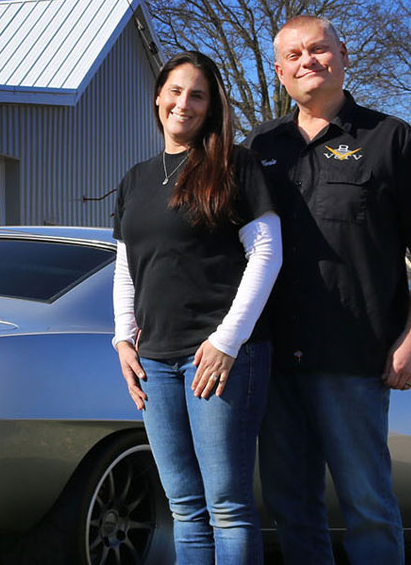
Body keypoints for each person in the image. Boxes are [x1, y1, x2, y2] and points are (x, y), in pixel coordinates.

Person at [245, 16, 411, 564]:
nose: (307, 61)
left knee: (368, 506)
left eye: (319, 49)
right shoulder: (260, 148)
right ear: (279, 72)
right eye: (293, 55)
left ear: (344, 55)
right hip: (272, 361)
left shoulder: (392, 139)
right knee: (290, 506)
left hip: (355, 359)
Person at [112, 50, 281, 564]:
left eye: (198, 95)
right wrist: (122, 336)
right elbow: (127, 263)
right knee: (184, 507)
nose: (184, 103)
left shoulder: (235, 165)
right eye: (176, 91)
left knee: (226, 505)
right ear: (158, 96)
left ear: (211, 107)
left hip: (218, 356)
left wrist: (228, 341)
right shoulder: (135, 179)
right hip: (156, 361)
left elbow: (268, 252)